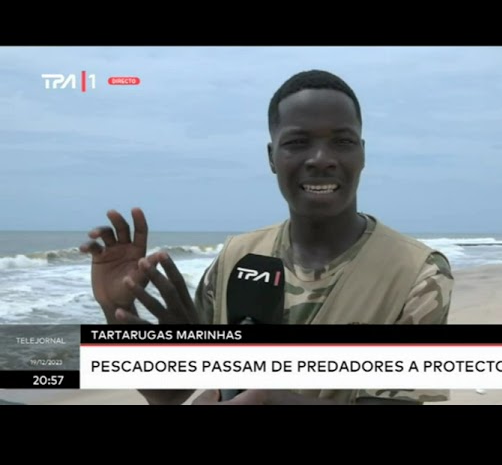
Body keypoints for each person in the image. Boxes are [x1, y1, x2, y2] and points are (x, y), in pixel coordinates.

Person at [80, 69, 455, 405]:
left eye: (342, 141)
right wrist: (116, 312)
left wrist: (271, 399)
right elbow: (170, 392)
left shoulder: (415, 273)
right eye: (297, 142)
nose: (321, 158)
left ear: (362, 154)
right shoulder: (236, 258)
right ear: (272, 156)